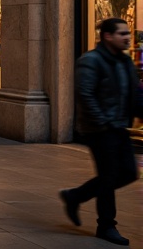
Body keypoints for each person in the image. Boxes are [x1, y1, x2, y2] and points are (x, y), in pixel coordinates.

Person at [60, 18, 141, 246]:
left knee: (128, 173)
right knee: (109, 176)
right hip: (98, 129)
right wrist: (103, 122)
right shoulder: (91, 61)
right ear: (107, 36)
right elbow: (85, 94)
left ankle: (75, 196)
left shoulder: (125, 62)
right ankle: (106, 226)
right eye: (122, 34)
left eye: (127, 33)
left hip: (119, 127)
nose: (127, 37)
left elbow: (134, 93)